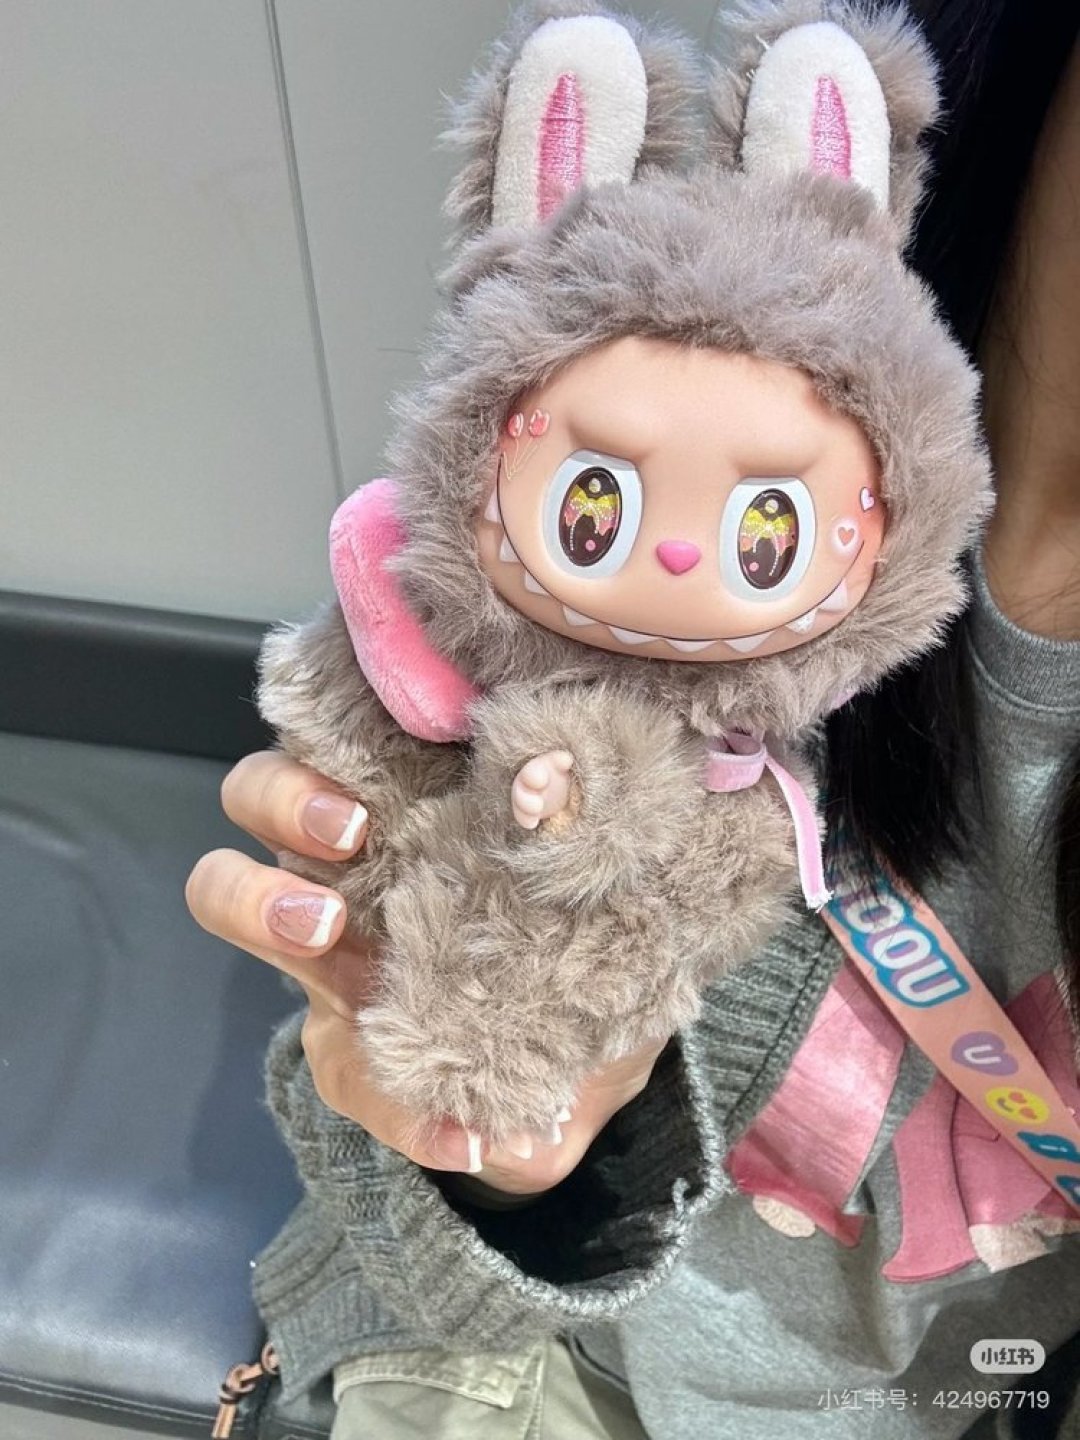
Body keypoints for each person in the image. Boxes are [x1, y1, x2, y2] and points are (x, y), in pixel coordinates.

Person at [185, 0, 1080, 1434]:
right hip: (527, 1373)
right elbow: (391, 1192)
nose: (672, 551)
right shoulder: (650, 416)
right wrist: (491, 1163)